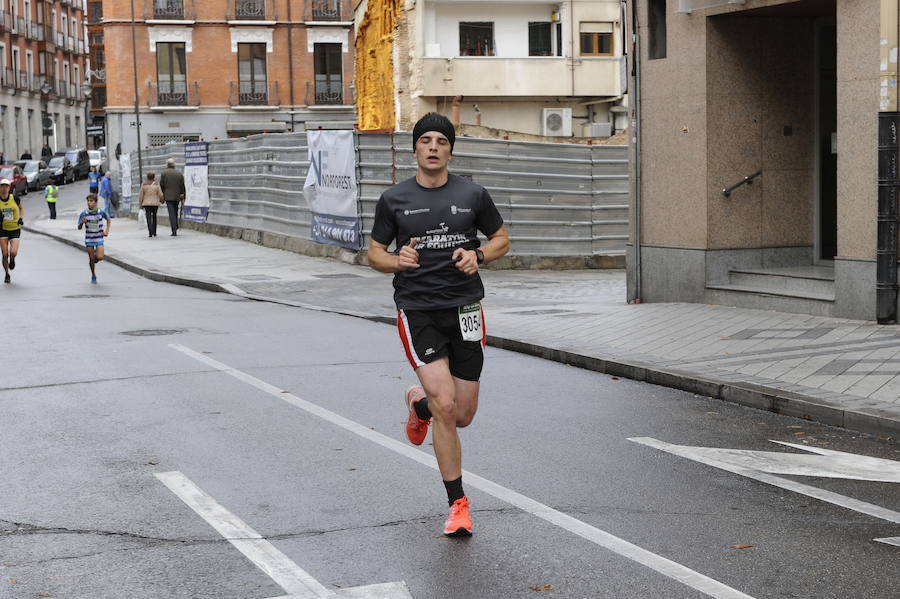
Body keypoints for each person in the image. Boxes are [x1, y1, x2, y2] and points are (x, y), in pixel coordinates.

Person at [367, 113, 510, 537]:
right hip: (418, 309)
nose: (433, 147)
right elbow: (374, 253)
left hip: (465, 309)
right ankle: (458, 505)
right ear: (415, 148)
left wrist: (479, 256)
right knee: (447, 404)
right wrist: (397, 260)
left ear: (450, 149)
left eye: (441, 141)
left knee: (461, 413)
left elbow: (501, 238)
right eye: (425, 140)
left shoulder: (473, 194)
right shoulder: (394, 199)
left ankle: (419, 406)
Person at [77, 193, 110, 284]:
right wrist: (82, 223)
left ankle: (96, 256)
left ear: (96, 202)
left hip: (99, 237)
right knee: (91, 259)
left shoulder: (101, 212)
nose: (89, 203)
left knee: (100, 257)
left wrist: (106, 231)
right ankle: (93, 275)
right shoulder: (84, 213)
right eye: (88, 201)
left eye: (91, 201)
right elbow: (79, 227)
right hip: (89, 239)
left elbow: (108, 219)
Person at [0, 178, 24, 284]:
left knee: (13, 252)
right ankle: (7, 274)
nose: (4, 188)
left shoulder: (14, 198)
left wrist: (20, 218)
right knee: (5, 254)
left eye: (6, 186)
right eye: (2, 186)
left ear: (9, 188)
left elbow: (21, 209)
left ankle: (13, 259)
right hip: (3, 229)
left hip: (14, 228)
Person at [159, 158, 185, 236]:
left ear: (167, 165)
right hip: (177, 196)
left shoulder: (164, 173)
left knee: (171, 213)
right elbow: (182, 186)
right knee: (175, 211)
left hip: (168, 196)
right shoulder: (179, 174)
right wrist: (183, 195)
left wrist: (162, 194)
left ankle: (174, 229)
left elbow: (161, 185)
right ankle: (175, 225)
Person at [138, 171, 163, 237]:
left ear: (147, 177)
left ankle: (150, 232)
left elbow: (141, 195)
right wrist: (162, 200)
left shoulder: (144, 185)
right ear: (154, 177)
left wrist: (140, 204)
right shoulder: (157, 184)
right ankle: (154, 232)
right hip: (155, 203)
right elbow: (160, 194)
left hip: (146, 203)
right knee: (154, 216)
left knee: (148, 217)